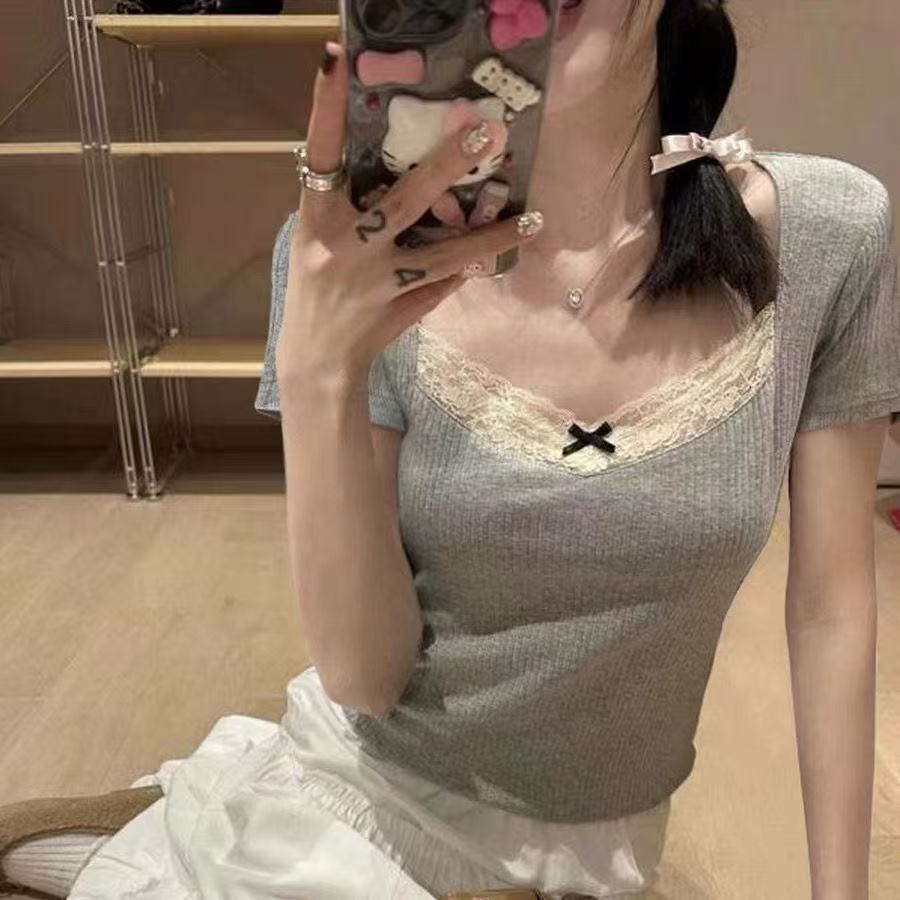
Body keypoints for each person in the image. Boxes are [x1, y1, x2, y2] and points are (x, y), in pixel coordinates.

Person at [2, 1, 898, 897]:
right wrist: (316, 373)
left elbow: (831, 609)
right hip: (364, 818)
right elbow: (366, 677)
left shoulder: (828, 234)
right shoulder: (355, 268)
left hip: (599, 858)